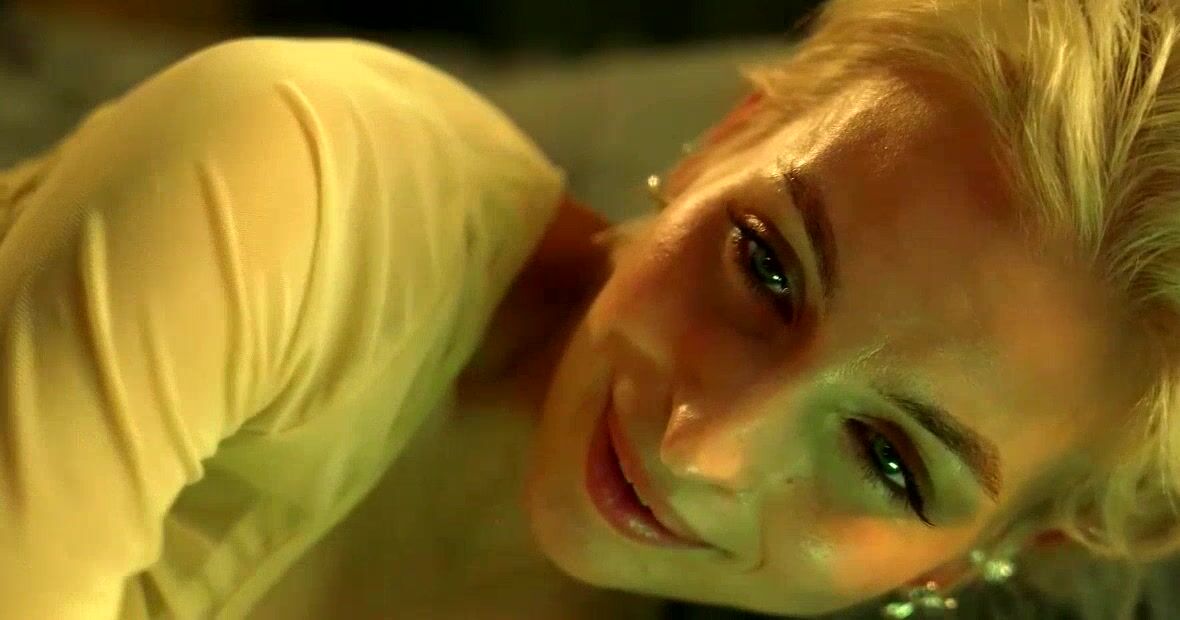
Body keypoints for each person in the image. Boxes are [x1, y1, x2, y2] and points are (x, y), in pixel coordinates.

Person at [2, 0, 1180, 619]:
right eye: (766, 267)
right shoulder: (289, 178)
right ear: (730, 136)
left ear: (1002, 548)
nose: (704, 448)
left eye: (887, 457)